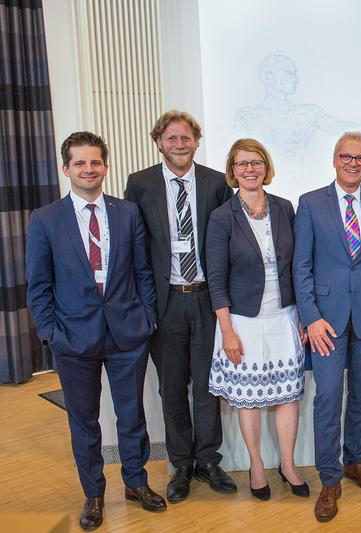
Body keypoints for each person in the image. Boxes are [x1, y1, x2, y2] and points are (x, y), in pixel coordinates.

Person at [26, 132, 166, 531]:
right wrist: (52, 332)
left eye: (96, 162)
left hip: (128, 334)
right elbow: (38, 286)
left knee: (131, 415)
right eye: (80, 163)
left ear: (105, 166)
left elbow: (142, 272)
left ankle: (137, 483)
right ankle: (94, 494)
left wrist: (148, 319)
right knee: (85, 422)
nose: (89, 169)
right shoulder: (45, 219)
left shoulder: (127, 213)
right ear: (66, 168)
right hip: (73, 338)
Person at [124, 111, 235, 501]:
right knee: (172, 390)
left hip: (206, 298)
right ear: (159, 142)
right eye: (171, 138)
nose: (179, 144)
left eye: (185, 138)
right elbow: (134, 247)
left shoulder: (217, 183)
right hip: (166, 301)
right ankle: (181, 466)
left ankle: (208, 461)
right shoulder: (139, 185)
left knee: (207, 386)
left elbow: (227, 244)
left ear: (196, 141)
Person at [293, 132, 361, 522]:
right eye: (346, 156)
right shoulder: (310, 204)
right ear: (334, 159)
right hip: (326, 322)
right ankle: (330, 478)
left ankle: (356, 461)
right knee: (327, 399)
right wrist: (310, 317)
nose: (353, 163)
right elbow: (301, 266)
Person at [205, 138, 309, 501]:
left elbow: (296, 266)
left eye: (256, 162)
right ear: (232, 171)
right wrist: (227, 329)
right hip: (242, 321)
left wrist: (301, 313)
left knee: (287, 398)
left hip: (284, 317)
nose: (250, 169)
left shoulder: (284, 208)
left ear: (266, 167)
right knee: (249, 400)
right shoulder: (221, 217)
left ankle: (288, 464)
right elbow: (216, 278)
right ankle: (256, 465)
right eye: (242, 163)